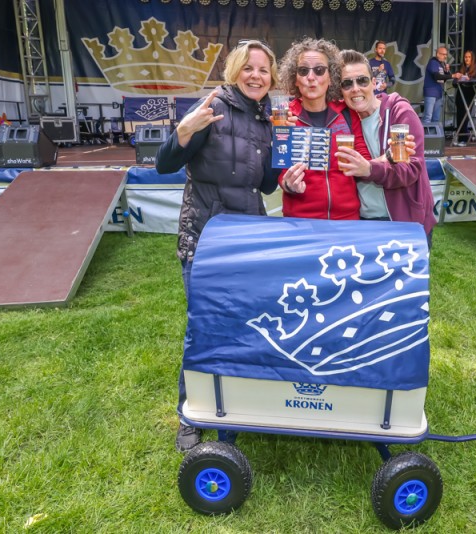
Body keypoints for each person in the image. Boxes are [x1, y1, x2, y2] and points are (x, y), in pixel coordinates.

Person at [155, 40, 280, 452]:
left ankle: (236, 406)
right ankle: (191, 415)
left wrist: (284, 173)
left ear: (271, 77)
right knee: (204, 329)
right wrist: (183, 132)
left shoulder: (265, 121)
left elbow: (262, 184)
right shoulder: (212, 106)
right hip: (206, 239)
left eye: (264, 69)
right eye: (249, 68)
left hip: (247, 240)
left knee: (246, 327)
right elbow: (165, 163)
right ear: (234, 71)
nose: (256, 75)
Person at [336, 49, 437, 246]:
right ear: (341, 90)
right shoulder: (344, 119)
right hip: (365, 223)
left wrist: (369, 169)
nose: (355, 88)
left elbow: (411, 169)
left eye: (362, 81)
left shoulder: (400, 112)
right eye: (347, 83)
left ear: (374, 83)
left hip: (405, 220)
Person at [277, 38, 370, 220]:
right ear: (295, 79)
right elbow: (278, 171)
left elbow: (364, 160)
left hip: (346, 219)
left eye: (319, 70)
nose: (311, 77)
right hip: (299, 220)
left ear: (331, 77)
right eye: (303, 71)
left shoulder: (347, 114)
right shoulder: (284, 117)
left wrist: (369, 164)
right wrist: (288, 184)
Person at [453, 50, 476, 140]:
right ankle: (460, 138)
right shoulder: (462, 67)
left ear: (472, 58)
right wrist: (459, 79)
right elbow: (454, 82)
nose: (466, 59)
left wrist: (470, 79)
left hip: (470, 93)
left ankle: (464, 138)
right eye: (465, 57)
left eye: (468, 57)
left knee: (466, 115)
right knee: (460, 115)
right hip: (461, 93)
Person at [422, 46, 451, 124]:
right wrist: (452, 76)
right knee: (428, 117)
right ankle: (424, 136)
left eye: (446, 55)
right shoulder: (433, 62)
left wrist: (447, 71)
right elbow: (437, 76)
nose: (445, 56)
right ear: (438, 54)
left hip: (438, 93)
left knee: (436, 118)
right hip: (431, 92)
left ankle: (433, 136)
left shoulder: (441, 64)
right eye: (443, 54)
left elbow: (443, 79)